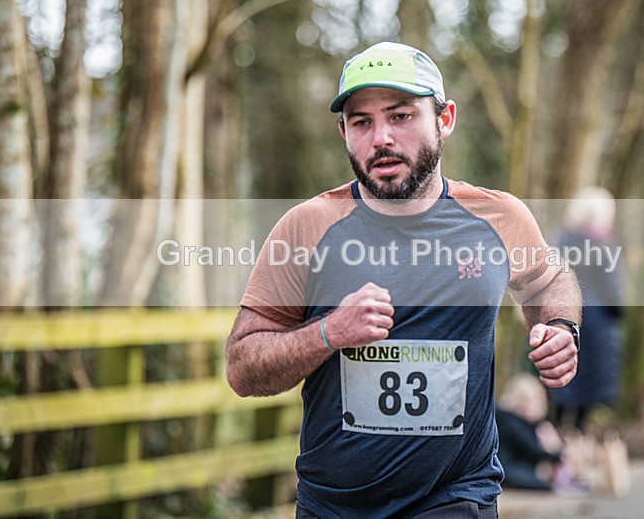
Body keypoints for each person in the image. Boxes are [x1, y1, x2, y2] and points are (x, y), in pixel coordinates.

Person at [225, 42, 581, 518]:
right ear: (343, 133)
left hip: (456, 495)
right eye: (361, 122)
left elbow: (549, 282)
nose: (381, 138)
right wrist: (328, 333)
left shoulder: (498, 216)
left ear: (445, 119)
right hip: (333, 505)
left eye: (401, 116)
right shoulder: (306, 227)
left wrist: (560, 328)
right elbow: (242, 368)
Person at [548, 187, 624, 432]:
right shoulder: (604, 244)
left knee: (563, 375)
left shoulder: (560, 239)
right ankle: (579, 438)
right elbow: (612, 287)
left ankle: (557, 434)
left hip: (562, 316)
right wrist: (618, 312)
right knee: (588, 385)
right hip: (596, 321)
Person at [496, 373, 582, 493]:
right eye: (524, 399)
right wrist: (557, 452)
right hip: (507, 472)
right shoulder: (511, 422)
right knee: (545, 487)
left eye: (535, 400)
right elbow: (534, 450)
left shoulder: (519, 423)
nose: (530, 406)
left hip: (510, 471)